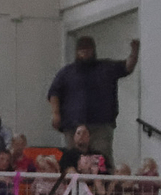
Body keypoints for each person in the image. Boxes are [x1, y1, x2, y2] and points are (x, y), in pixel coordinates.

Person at [48, 34, 138, 166]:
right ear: (76, 52)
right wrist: (56, 114)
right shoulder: (66, 72)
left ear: (93, 50)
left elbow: (127, 67)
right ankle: (75, 180)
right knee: (74, 160)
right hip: (73, 126)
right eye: (81, 49)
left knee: (102, 160)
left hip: (100, 125)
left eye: (88, 49)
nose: (85, 52)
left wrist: (134, 53)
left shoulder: (106, 67)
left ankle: (104, 180)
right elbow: (54, 93)